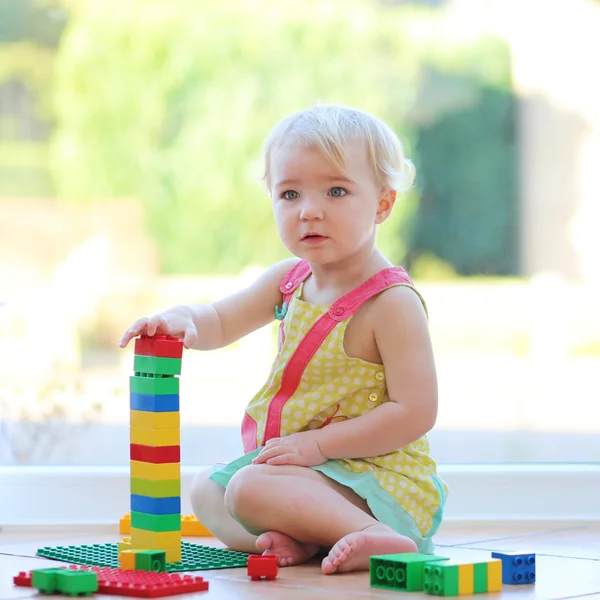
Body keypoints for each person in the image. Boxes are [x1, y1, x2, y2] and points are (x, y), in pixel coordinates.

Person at [119, 104, 447, 575]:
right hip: (310, 475)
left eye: (336, 191)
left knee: (248, 489)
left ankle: (374, 535)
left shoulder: (391, 303)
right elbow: (218, 320)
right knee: (207, 490)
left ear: (382, 203)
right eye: (290, 194)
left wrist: (319, 447)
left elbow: (416, 412)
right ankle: (302, 540)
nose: (309, 210)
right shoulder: (289, 280)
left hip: (377, 482)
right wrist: (180, 319)